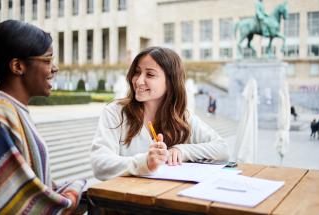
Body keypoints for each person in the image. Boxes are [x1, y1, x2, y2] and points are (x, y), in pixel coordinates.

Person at [0, 20, 86, 214]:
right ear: (17, 66)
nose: (54, 68)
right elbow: (9, 201)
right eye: (47, 60)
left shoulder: (9, 108)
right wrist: (69, 197)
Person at [91, 47, 229, 181]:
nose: (138, 81)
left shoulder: (183, 117)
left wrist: (182, 151)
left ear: (170, 82)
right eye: (137, 72)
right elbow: (100, 164)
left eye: (150, 74)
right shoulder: (115, 112)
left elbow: (222, 149)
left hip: (169, 198)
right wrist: (145, 163)